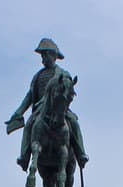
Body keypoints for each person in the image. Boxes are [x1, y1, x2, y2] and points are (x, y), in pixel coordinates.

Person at [7, 38, 89, 172]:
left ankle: (81, 154)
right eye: (42, 55)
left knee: (74, 122)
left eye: (45, 55)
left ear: (53, 55)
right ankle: (24, 157)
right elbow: (29, 97)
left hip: (60, 109)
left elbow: (68, 92)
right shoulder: (38, 76)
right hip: (40, 110)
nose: (43, 58)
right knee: (28, 125)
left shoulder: (63, 74)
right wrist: (18, 112)